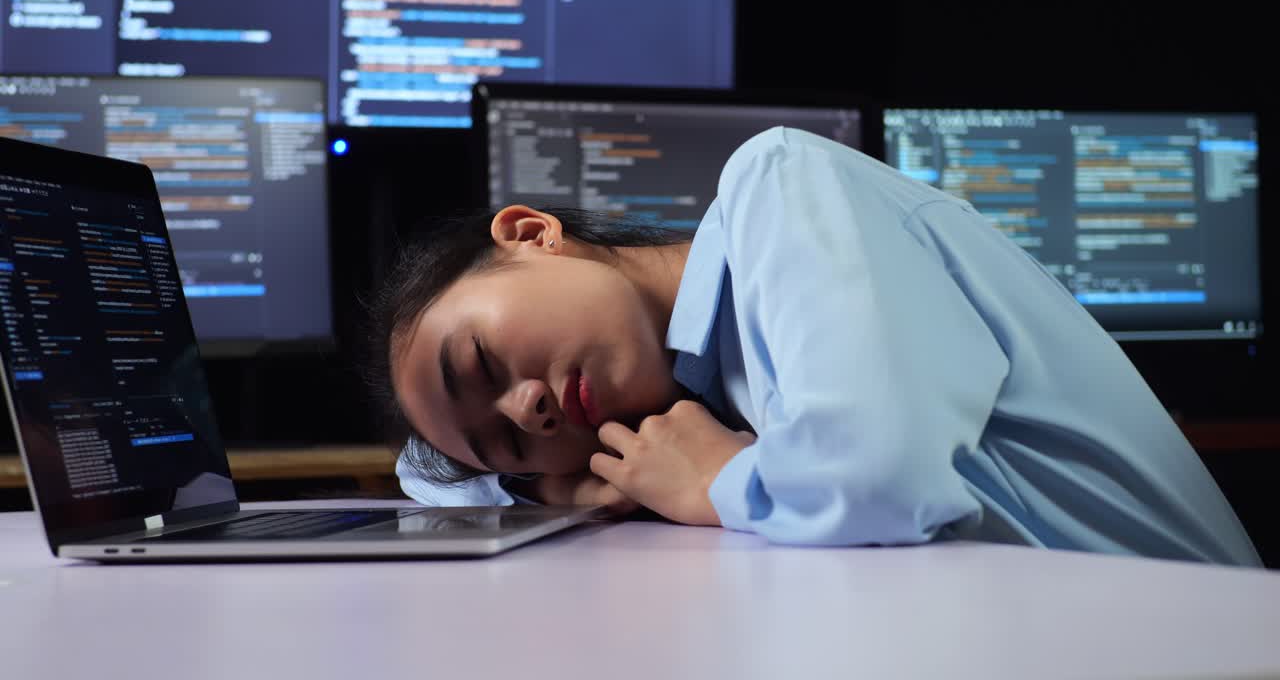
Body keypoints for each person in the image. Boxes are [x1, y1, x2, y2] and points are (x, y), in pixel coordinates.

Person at [368, 127, 1261, 566]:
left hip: (1185, 638)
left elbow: (878, 478)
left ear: (530, 232)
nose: (529, 409)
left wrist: (713, 482)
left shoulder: (778, 188)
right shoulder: (694, 379)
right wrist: (548, 477)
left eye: (485, 364)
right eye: (511, 438)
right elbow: (428, 465)